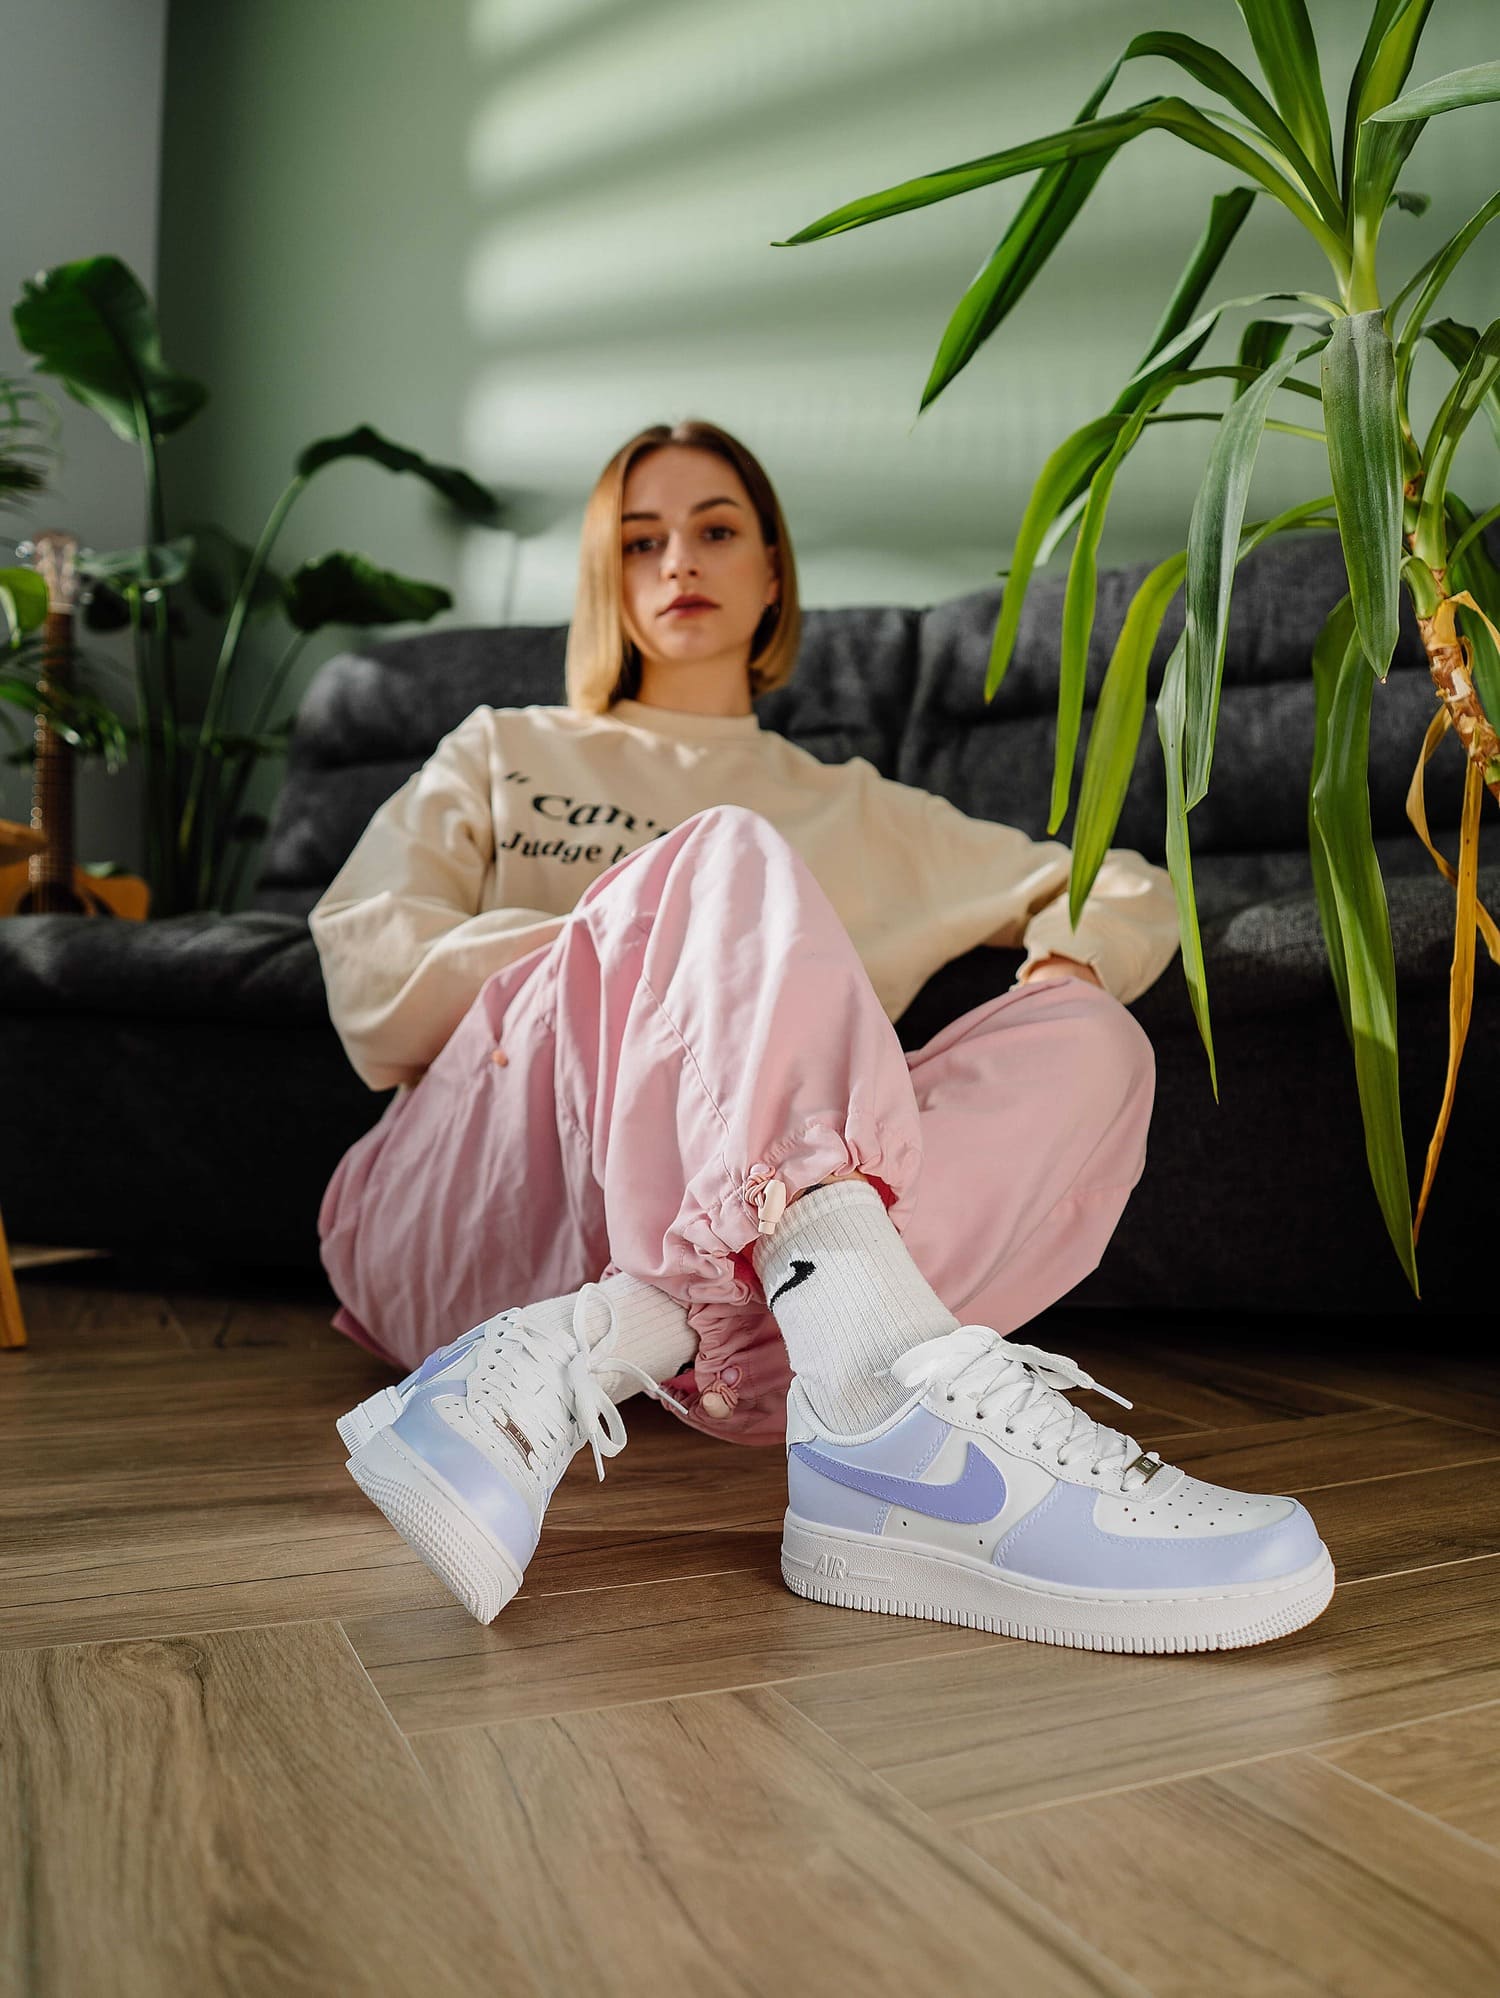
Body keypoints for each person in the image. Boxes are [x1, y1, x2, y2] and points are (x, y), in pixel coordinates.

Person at [310, 418, 1334, 1653]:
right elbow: (372, 985)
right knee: (723, 857)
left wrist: (1071, 954)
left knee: (1093, 1044)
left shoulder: (855, 809)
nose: (678, 559)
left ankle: (707, 1370)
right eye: (640, 540)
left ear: (772, 570)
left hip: (704, 1251)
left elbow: (1121, 884)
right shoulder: (507, 749)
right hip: (466, 1199)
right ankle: (875, 1394)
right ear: (607, 577)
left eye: (716, 530)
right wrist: (644, 933)